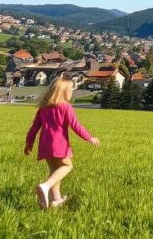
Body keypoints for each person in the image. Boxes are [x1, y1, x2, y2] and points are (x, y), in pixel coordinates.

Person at [24, 78, 100, 209]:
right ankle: (45, 186)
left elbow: (34, 128)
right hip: (59, 143)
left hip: (45, 144)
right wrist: (89, 138)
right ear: (64, 91)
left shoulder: (43, 108)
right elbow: (76, 126)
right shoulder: (66, 107)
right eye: (71, 89)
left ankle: (56, 200)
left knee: (54, 170)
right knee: (67, 166)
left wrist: (29, 143)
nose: (72, 92)